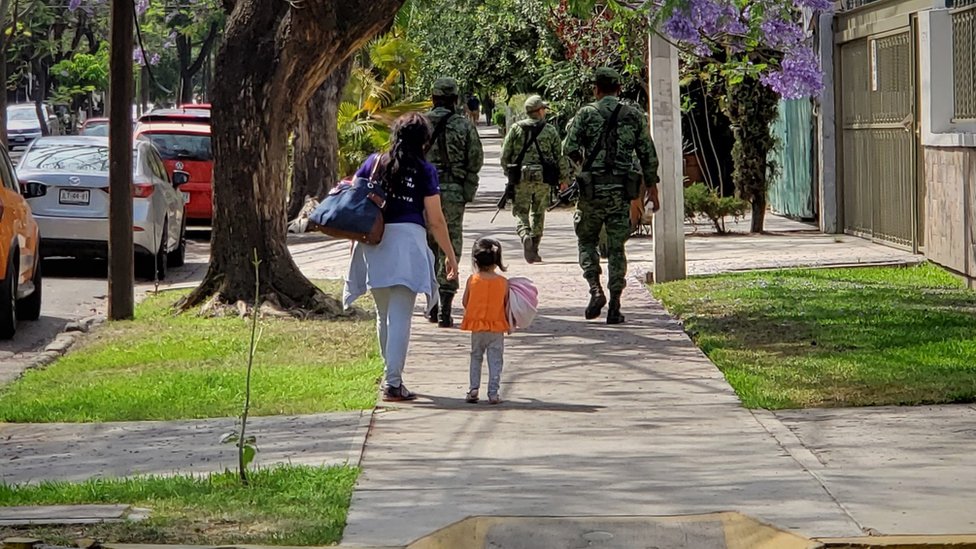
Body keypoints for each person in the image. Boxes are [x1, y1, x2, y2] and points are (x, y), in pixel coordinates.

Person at [344, 113, 460, 402]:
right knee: (400, 317)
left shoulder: (373, 163)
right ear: (424, 141)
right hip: (407, 244)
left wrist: (352, 242)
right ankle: (392, 383)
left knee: (384, 315)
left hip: (373, 242)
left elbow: (354, 202)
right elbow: (436, 220)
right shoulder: (424, 170)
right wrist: (450, 255)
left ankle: (390, 376)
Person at [562, 67, 660, 325]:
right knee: (617, 248)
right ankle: (615, 304)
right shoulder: (633, 115)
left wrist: (582, 166)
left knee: (586, 241)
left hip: (591, 191)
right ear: (619, 89)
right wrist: (652, 187)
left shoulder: (585, 114)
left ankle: (595, 288)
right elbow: (648, 155)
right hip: (620, 192)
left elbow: (568, 147)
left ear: (596, 89)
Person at [425, 77, 484, 328]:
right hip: (452, 191)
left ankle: (433, 302)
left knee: (427, 247)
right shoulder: (464, 125)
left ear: (434, 98)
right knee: (449, 242)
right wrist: (466, 188)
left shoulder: (421, 124)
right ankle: (446, 305)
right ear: (455, 100)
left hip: (422, 191)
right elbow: (476, 159)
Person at [500, 95, 569, 263]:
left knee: (520, 211)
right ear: (538, 111)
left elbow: (505, 154)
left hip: (521, 178)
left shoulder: (516, 129)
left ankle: (525, 233)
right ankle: (534, 247)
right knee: (539, 213)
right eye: (543, 109)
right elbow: (559, 157)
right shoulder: (550, 130)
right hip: (543, 178)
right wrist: (564, 179)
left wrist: (508, 172)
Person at [460, 238, 510, 405]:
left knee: (476, 356)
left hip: (477, 327)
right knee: (495, 359)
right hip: (496, 327)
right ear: (497, 260)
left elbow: (465, 301)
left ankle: (473, 389)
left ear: (475, 260)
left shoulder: (472, 280)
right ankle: (493, 393)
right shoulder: (503, 282)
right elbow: (506, 303)